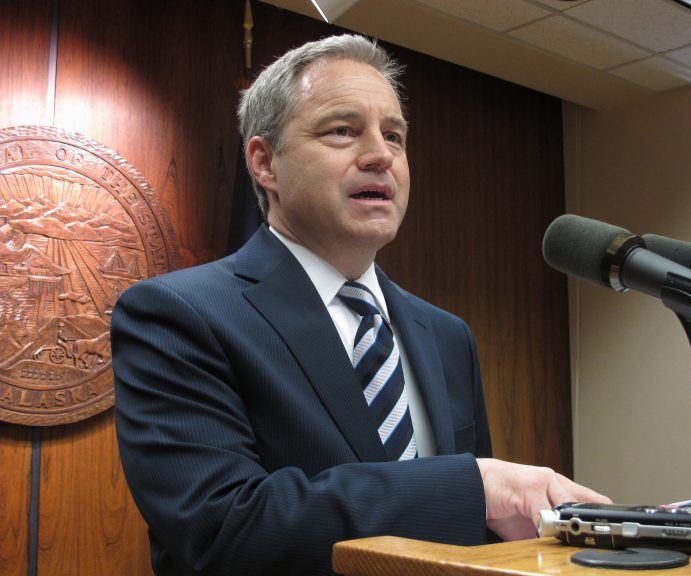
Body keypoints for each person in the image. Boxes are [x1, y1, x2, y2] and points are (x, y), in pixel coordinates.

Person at [111, 34, 610, 576]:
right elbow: (221, 530)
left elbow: (474, 535)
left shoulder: (446, 335)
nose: (381, 156)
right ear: (265, 163)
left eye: (394, 136)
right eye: (343, 131)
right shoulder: (175, 314)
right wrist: (473, 487)